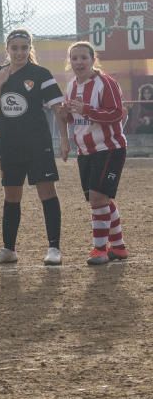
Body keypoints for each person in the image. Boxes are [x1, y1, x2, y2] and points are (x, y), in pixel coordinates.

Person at [0, 28, 70, 266]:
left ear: (30, 49)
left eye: (24, 48)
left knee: (47, 193)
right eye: (15, 48)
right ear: (7, 50)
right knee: (11, 196)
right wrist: (0, 84)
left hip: (38, 145)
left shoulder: (41, 74)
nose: (19, 52)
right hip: (10, 147)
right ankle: (9, 249)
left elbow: (58, 109)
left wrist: (64, 139)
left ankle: (54, 248)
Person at [63, 41, 129, 265]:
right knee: (102, 199)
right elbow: (74, 118)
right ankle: (118, 247)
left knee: (98, 198)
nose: (79, 62)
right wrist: (67, 115)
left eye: (83, 57)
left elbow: (116, 114)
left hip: (109, 148)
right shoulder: (71, 85)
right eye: (74, 58)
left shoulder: (105, 83)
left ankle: (100, 249)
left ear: (93, 59)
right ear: (69, 61)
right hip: (85, 151)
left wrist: (86, 110)